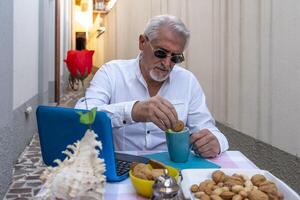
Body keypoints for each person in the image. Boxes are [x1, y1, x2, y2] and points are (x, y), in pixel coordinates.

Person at [75, 15, 229, 158]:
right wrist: (133, 111)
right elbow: (81, 115)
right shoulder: (112, 72)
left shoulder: (187, 81)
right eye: (161, 53)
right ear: (142, 42)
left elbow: (207, 129)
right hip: (121, 165)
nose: (167, 64)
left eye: (175, 57)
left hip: (171, 170)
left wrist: (216, 142)